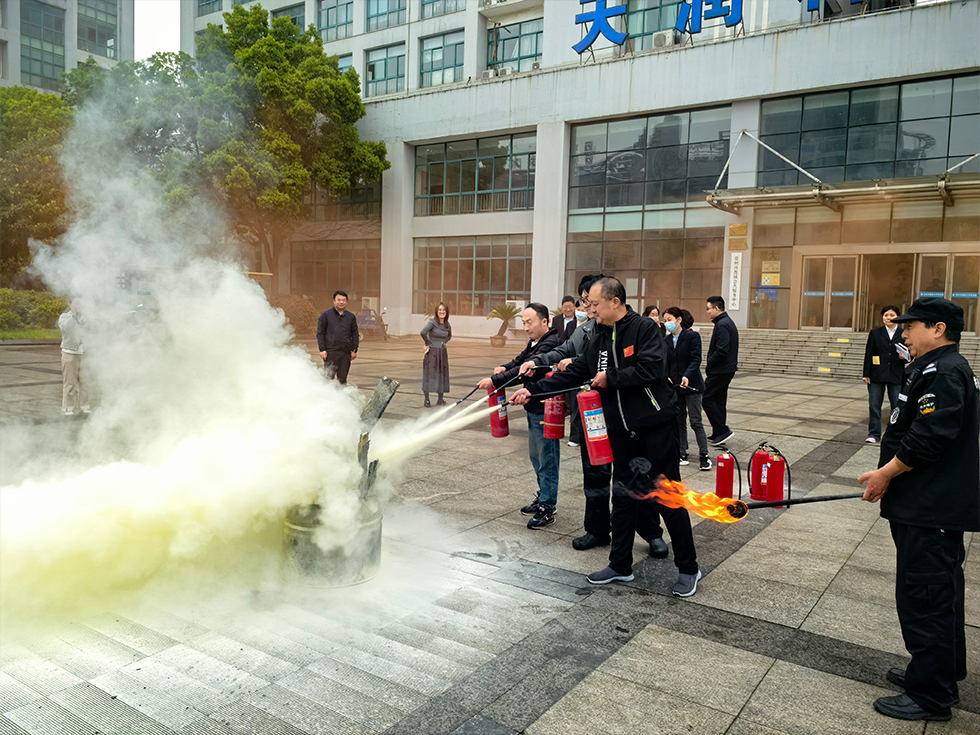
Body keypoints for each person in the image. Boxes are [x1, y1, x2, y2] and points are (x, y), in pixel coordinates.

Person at [512, 277, 701, 597]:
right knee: (623, 499)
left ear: (615, 302)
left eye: (594, 304)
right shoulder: (598, 334)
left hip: (655, 428)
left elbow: (652, 369)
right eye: (588, 304)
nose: (590, 309)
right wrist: (533, 391)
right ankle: (620, 565)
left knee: (668, 498)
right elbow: (578, 371)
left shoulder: (644, 329)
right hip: (621, 431)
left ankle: (689, 568)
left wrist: (609, 377)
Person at [858, 297, 978, 723]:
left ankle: (931, 695)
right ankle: (938, 672)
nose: (904, 332)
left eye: (911, 326)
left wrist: (884, 474)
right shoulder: (934, 367)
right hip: (924, 504)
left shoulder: (945, 372)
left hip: (931, 507)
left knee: (926, 597)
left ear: (938, 329)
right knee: (937, 593)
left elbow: (928, 439)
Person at [478, 304, 562, 530]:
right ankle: (543, 496)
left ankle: (548, 506)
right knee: (537, 457)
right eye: (523, 323)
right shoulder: (535, 341)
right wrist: (502, 367)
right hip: (534, 408)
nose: (525, 327)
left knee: (547, 459)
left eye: (529, 322)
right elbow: (518, 362)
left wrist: (494, 381)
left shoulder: (550, 343)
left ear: (545, 322)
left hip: (546, 410)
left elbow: (521, 372)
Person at [664, 307, 710, 471]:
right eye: (665, 320)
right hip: (676, 387)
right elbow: (666, 362)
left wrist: (687, 375)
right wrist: (667, 375)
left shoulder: (692, 336)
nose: (667, 323)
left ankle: (704, 455)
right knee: (679, 421)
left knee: (696, 421)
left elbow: (695, 359)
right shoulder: (666, 340)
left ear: (679, 320)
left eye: (669, 319)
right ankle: (682, 452)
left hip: (692, 385)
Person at [863, 305, 905, 444]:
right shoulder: (875, 333)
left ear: (897, 317)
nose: (888, 318)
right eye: (886, 315)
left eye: (892, 315)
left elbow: (910, 353)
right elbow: (869, 353)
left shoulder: (903, 333)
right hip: (877, 374)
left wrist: (905, 357)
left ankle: (895, 434)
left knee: (897, 406)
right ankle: (874, 434)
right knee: (874, 405)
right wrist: (866, 373)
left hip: (896, 374)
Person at [703, 295, 738, 445]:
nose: (707, 312)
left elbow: (722, 349)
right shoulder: (725, 322)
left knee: (706, 397)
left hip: (721, 370)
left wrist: (710, 361)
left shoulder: (723, 324)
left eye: (708, 308)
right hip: (725, 369)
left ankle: (722, 430)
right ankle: (719, 432)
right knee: (718, 400)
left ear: (716, 308)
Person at [317, 290, 359, 384]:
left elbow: (355, 333)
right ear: (334, 301)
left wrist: (354, 349)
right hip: (331, 352)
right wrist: (322, 349)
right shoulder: (325, 315)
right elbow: (320, 333)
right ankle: (327, 394)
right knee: (328, 379)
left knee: (342, 379)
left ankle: (342, 393)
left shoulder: (351, 317)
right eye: (339, 300)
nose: (341, 302)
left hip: (345, 353)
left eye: (343, 300)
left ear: (346, 302)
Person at [58, 297, 90, 417]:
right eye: (76, 303)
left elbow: (95, 329)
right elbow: (66, 328)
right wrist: (75, 316)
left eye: (80, 303)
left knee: (85, 382)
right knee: (70, 382)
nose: (78, 306)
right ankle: (69, 407)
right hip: (70, 353)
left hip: (85, 353)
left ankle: (84, 406)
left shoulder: (86, 317)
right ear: (70, 304)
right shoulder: (65, 317)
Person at [421, 302, 452, 407]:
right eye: (439, 310)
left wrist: (442, 343)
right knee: (429, 374)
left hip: (442, 353)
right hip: (432, 353)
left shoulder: (447, 324)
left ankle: (440, 399)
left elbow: (449, 336)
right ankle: (427, 399)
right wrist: (428, 343)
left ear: (446, 312)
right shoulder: (432, 322)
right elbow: (423, 332)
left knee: (442, 375)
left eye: (443, 310)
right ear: (436, 311)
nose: (441, 312)